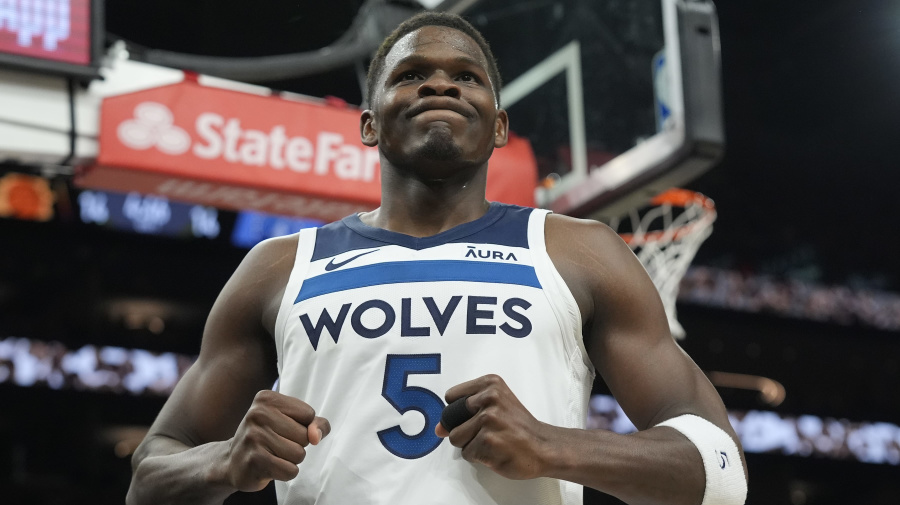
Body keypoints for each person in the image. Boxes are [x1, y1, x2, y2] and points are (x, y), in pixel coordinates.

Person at [126, 11, 747, 505]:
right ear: (368, 125)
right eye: (410, 74)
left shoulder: (579, 251)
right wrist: (225, 460)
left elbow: (720, 471)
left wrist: (552, 446)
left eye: (467, 76)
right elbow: (151, 473)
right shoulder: (279, 266)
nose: (441, 82)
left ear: (500, 126)